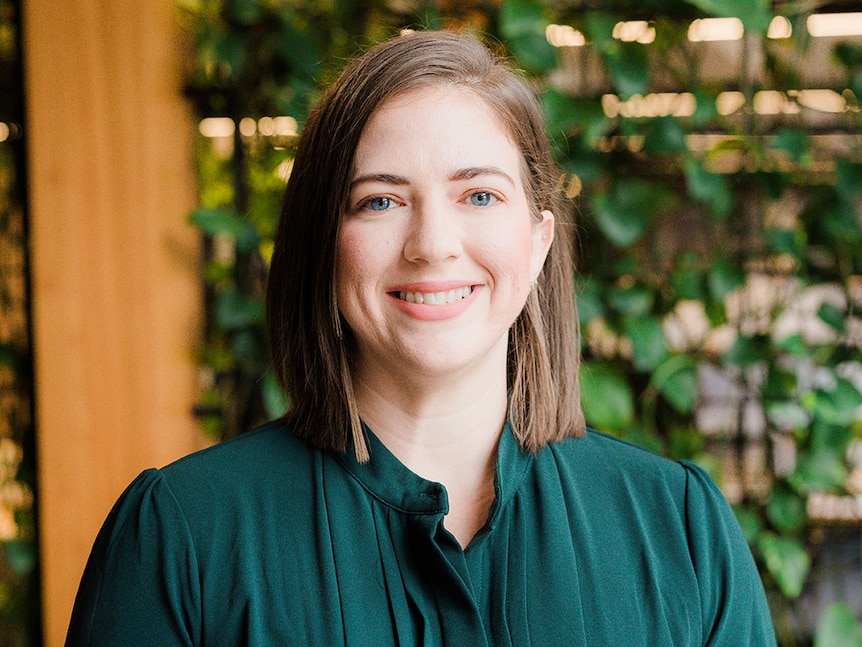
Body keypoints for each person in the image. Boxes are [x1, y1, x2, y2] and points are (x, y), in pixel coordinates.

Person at [66, 30, 776, 646]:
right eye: (381, 200)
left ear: (537, 243)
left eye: (479, 195)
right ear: (324, 244)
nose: (433, 244)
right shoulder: (181, 536)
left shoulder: (679, 528)